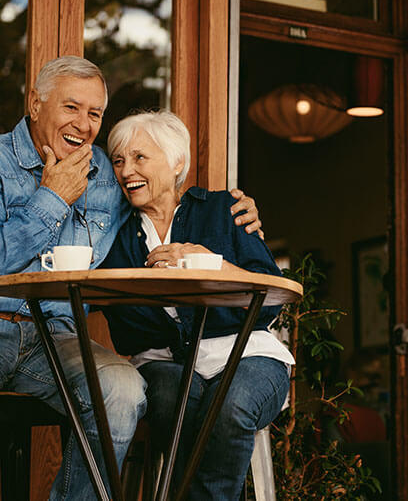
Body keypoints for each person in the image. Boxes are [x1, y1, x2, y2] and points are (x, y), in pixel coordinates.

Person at [0, 55, 262, 499]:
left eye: (95, 113)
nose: (83, 125)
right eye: (71, 108)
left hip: (57, 338)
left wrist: (239, 217)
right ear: (35, 103)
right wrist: (52, 199)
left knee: (122, 392)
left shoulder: (107, 176)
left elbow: (161, 206)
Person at [102, 110, 294, 500]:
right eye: (119, 160)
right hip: (164, 363)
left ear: (176, 163)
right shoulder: (116, 236)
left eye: (140, 157)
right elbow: (126, 329)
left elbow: (270, 301)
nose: (126, 171)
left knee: (230, 405)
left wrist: (212, 264)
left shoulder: (224, 210)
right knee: (176, 402)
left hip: (248, 355)